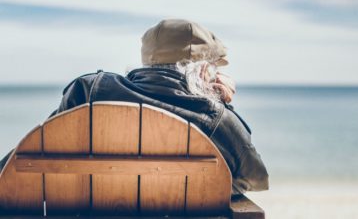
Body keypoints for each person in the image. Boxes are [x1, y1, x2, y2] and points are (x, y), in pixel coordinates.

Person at [1, 19, 269, 195]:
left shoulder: (89, 90)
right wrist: (219, 103)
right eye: (211, 68)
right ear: (200, 71)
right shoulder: (215, 117)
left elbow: (26, 158)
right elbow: (254, 179)